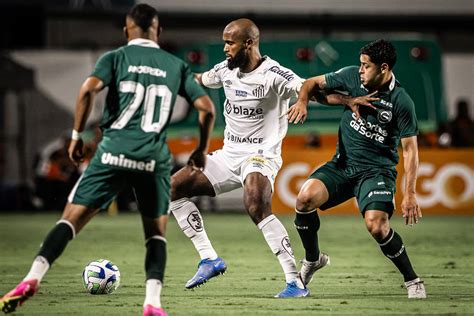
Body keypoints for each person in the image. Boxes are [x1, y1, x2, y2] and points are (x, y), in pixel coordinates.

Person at [0, 4, 215, 316]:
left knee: (70, 219)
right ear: (159, 32)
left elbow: (87, 91)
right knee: (155, 232)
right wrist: (200, 149)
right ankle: (152, 303)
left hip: (113, 150)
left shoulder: (114, 58)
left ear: (126, 31)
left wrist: (76, 136)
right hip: (153, 157)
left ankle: (32, 278)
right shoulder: (175, 65)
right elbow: (207, 107)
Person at [169, 18, 310, 298]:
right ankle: (209, 259)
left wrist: (347, 101)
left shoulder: (274, 74)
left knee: (255, 201)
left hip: (260, 155)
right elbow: (200, 79)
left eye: (229, 42)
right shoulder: (225, 71)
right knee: (172, 188)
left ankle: (294, 281)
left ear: (249, 43)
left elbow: (308, 87)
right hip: (228, 155)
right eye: (224, 42)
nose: (224, 48)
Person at [287, 39, 427, 299]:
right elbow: (310, 84)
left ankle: (412, 280)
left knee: (377, 227)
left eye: (366, 66)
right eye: (361, 64)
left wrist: (410, 193)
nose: (360, 70)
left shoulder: (401, 101)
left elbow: (410, 150)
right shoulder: (351, 76)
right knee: (304, 198)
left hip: (376, 172)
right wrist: (311, 102)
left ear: (383, 68)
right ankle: (313, 259)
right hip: (343, 165)